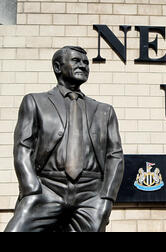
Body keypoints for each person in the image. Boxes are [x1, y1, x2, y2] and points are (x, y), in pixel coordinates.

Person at [4, 46, 124, 232]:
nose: (83, 66)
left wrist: (106, 198)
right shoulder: (35, 102)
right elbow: (22, 148)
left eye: (86, 62)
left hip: (90, 195)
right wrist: (31, 188)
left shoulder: (104, 111)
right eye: (76, 61)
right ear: (58, 67)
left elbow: (115, 157)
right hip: (47, 188)